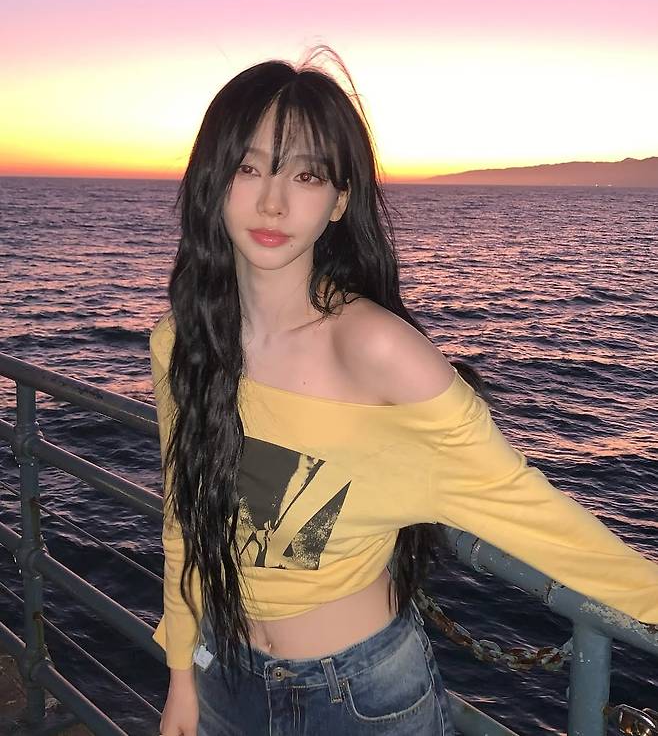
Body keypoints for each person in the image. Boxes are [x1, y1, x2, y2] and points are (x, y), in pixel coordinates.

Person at [149, 46, 658, 736]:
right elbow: (183, 517)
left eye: (306, 174)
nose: (272, 200)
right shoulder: (183, 341)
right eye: (248, 167)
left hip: (359, 697)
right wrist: (181, 673)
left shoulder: (377, 351)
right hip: (224, 678)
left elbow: (528, 507)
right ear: (213, 180)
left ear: (339, 200)